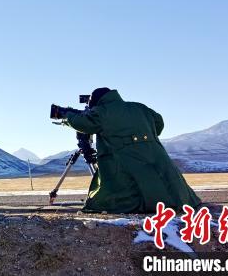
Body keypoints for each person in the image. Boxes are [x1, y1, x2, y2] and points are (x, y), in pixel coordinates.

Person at [57, 88, 201, 214]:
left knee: (120, 191)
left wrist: (66, 116)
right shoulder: (139, 107)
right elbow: (159, 123)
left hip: (126, 161)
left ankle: (145, 205)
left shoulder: (103, 112)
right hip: (156, 156)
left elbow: (84, 123)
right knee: (167, 184)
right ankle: (178, 202)